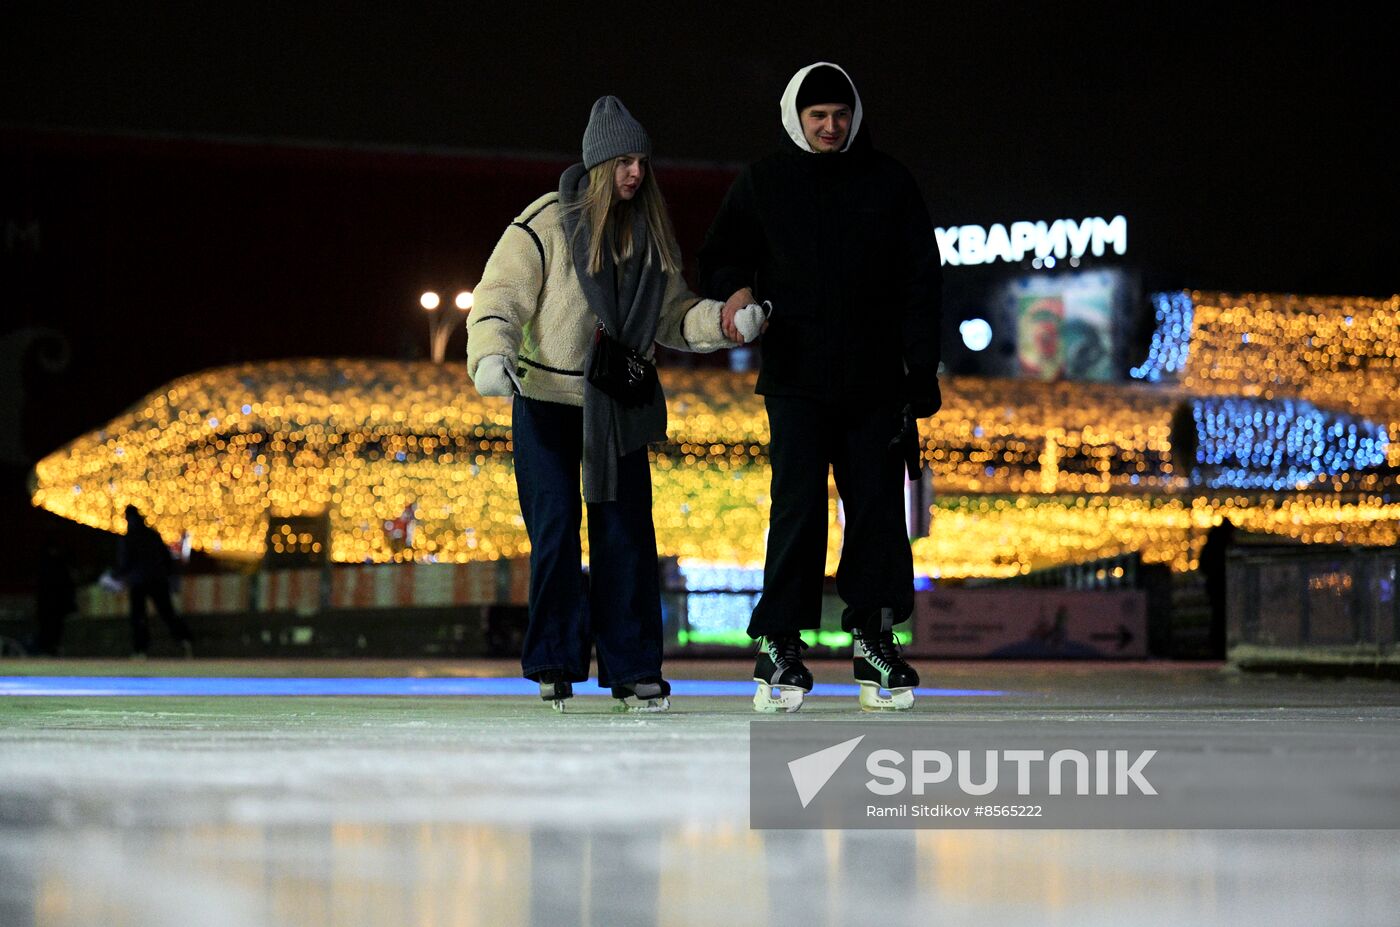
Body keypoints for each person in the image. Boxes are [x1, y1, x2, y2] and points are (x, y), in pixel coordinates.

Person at [468, 96, 761, 712]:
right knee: (554, 531)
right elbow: (500, 298)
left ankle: (632, 668)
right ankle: (554, 659)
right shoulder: (545, 221)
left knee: (626, 536)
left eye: (642, 162)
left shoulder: (649, 234)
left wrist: (726, 324)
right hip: (546, 400)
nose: (635, 173)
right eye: (623, 161)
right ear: (598, 164)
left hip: (616, 407)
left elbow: (676, 316)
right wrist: (491, 357)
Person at [699, 62, 943, 712]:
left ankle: (872, 632)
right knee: (798, 508)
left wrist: (920, 369)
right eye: (818, 116)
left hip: (875, 382)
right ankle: (780, 639)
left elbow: (923, 278)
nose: (830, 126)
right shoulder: (764, 181)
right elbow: (719, 255)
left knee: (876, 512)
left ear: (854, 116)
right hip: (797, 378)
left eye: (839, 114)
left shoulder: (889, 182)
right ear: (796, 118)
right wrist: (739, 288)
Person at [117, 505, 194, 658]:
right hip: (156, 579)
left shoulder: (131, 538)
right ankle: (185, 641)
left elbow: (125, 562)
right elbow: (166, 559)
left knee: (140, 617)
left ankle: (141, 649)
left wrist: (117, 575)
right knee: (166, 612)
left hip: (141, 581)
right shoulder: (151, 535)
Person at [1198, 516, 1237, 659]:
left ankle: (1217, 647)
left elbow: (1203, 563)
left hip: (1215, 585)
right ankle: (1219, 648)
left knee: (1218, 617)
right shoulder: (1224, 544)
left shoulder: (1213, 541)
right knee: (1221, 617)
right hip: (1221, 585)